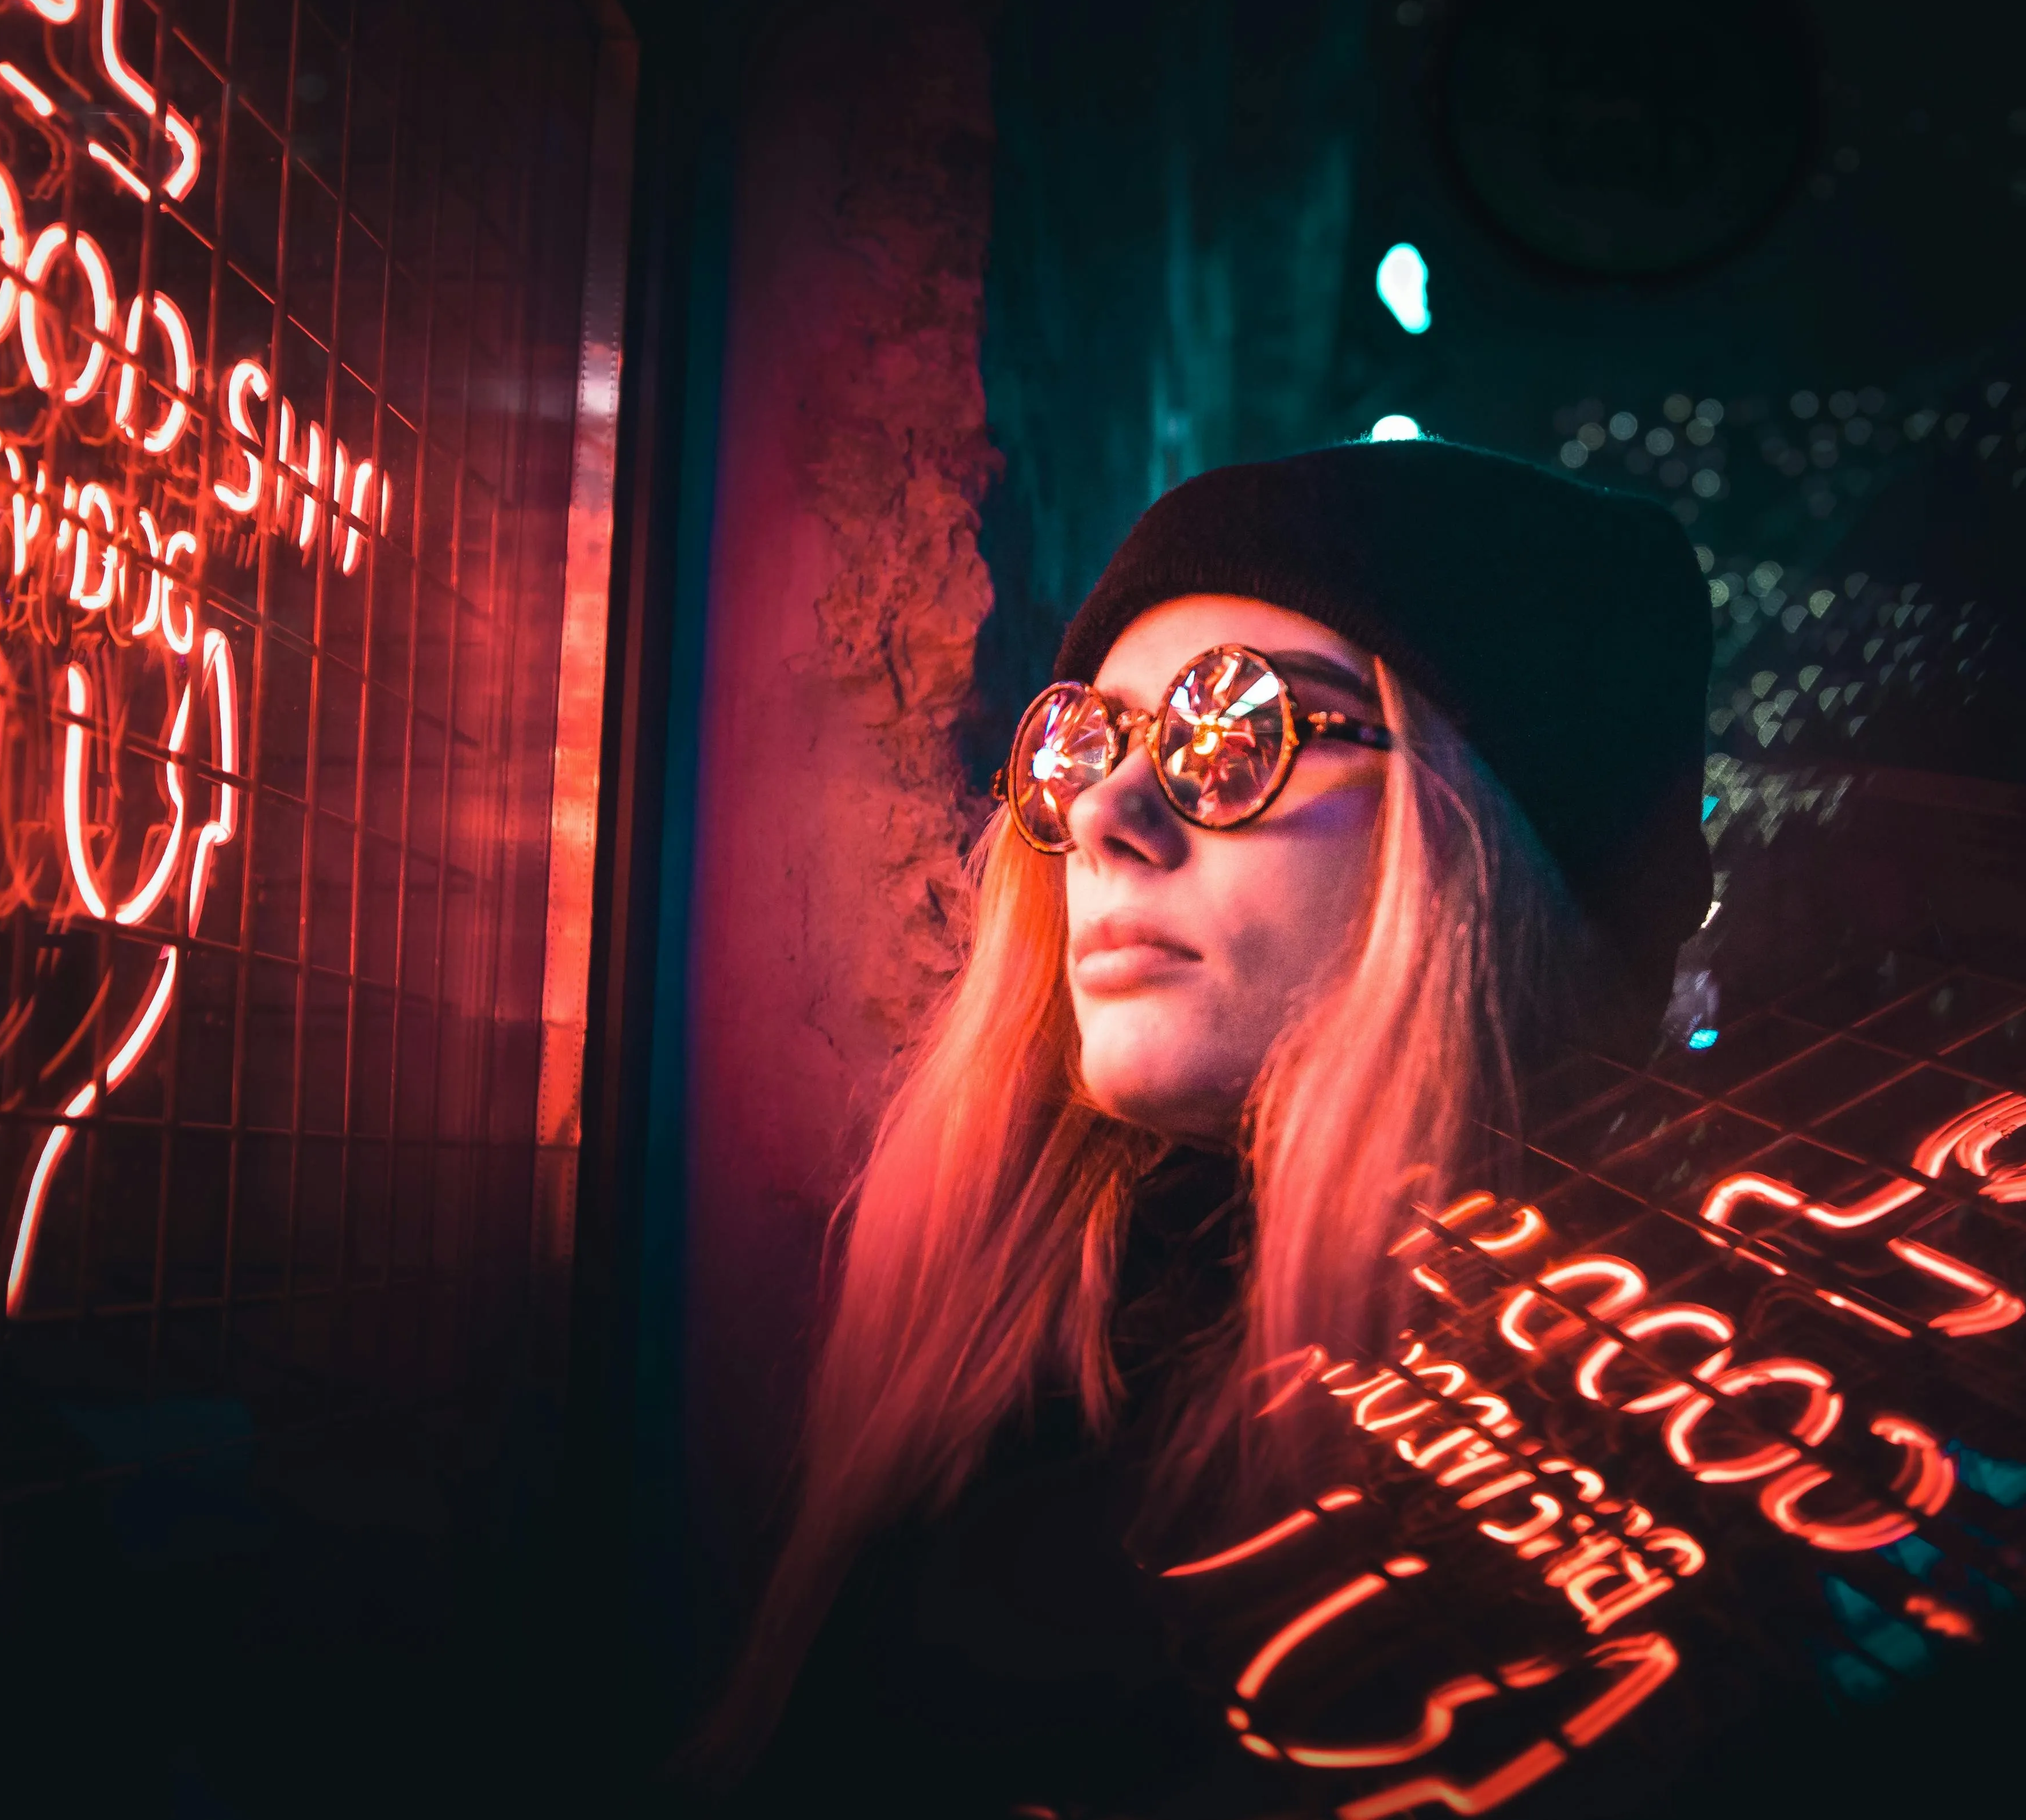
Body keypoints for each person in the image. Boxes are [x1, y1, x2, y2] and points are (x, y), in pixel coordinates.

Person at [691, 438, 1713, 1814]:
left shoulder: (1639, 1495)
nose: (1110, 812)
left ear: (1495, 851)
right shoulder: (998, 1362)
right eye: (1085, 740)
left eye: (1237, 736)